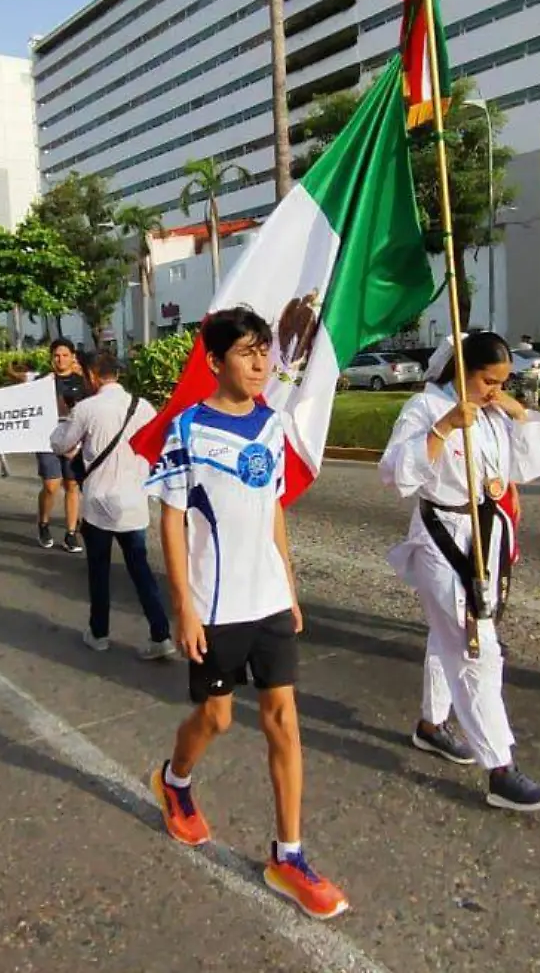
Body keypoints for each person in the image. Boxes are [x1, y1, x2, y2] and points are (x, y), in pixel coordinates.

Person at [147, 307, 348, 921]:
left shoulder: (271, 425)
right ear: (215, 362)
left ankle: (289, 855)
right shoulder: (188, 428)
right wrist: (183, 605)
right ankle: (173, 780)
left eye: (265, 352)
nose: (260, 363)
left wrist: (289, 585)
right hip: (214, 604)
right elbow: (174, 518)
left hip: (267, 602)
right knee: (216, 719)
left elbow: (273, 510)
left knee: (284, 721)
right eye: (246, 353)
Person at [379, 333, 540, 812]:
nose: (493, 391)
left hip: (486, 529)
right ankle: (500, 767)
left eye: (502, 383)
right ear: (462, 370)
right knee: (474, 646)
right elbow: (395, 474)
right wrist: (441, 430)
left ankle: (431, 724)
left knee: (448, 636)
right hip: (443, 532)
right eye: (487, 380)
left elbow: (525, 468)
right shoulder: (425, 407)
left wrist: (518, 415)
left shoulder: (495, 411)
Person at [49, 350, 173, 660]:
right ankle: (161, 634)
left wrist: (66, 415)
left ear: (91, 375)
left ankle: (100, 633)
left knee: (99, 571)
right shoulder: (144, 407)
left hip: (98, 504)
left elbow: (60, 444)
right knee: (141, 571)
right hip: (133, 501)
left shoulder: (87, 408)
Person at [37, 338, 89, 553]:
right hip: (46, 440)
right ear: (51, 358)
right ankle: (43, 523)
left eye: (65, 355)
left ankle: (70, 533)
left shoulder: (83, 383)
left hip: (74, 442)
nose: (61, 359)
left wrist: (80, 444)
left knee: (72, 485)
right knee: (51, 485)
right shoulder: (41, 382)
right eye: (57, 355)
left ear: (72, 357)